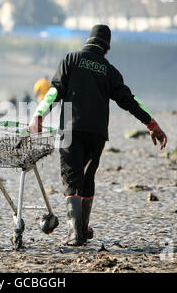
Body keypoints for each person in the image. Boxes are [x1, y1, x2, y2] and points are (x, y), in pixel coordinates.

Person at [29, 25, 167, 246]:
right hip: (97, 134)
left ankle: (74, 234)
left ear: (88, 40)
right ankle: (82, 230)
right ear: (107, 48)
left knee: (72, 178)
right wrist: (151, 122)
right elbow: (129, 100)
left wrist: (39, 114)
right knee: (87, 178)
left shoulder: (71, 60)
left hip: (71, 130)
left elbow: (54, 91)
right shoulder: (109, 70)